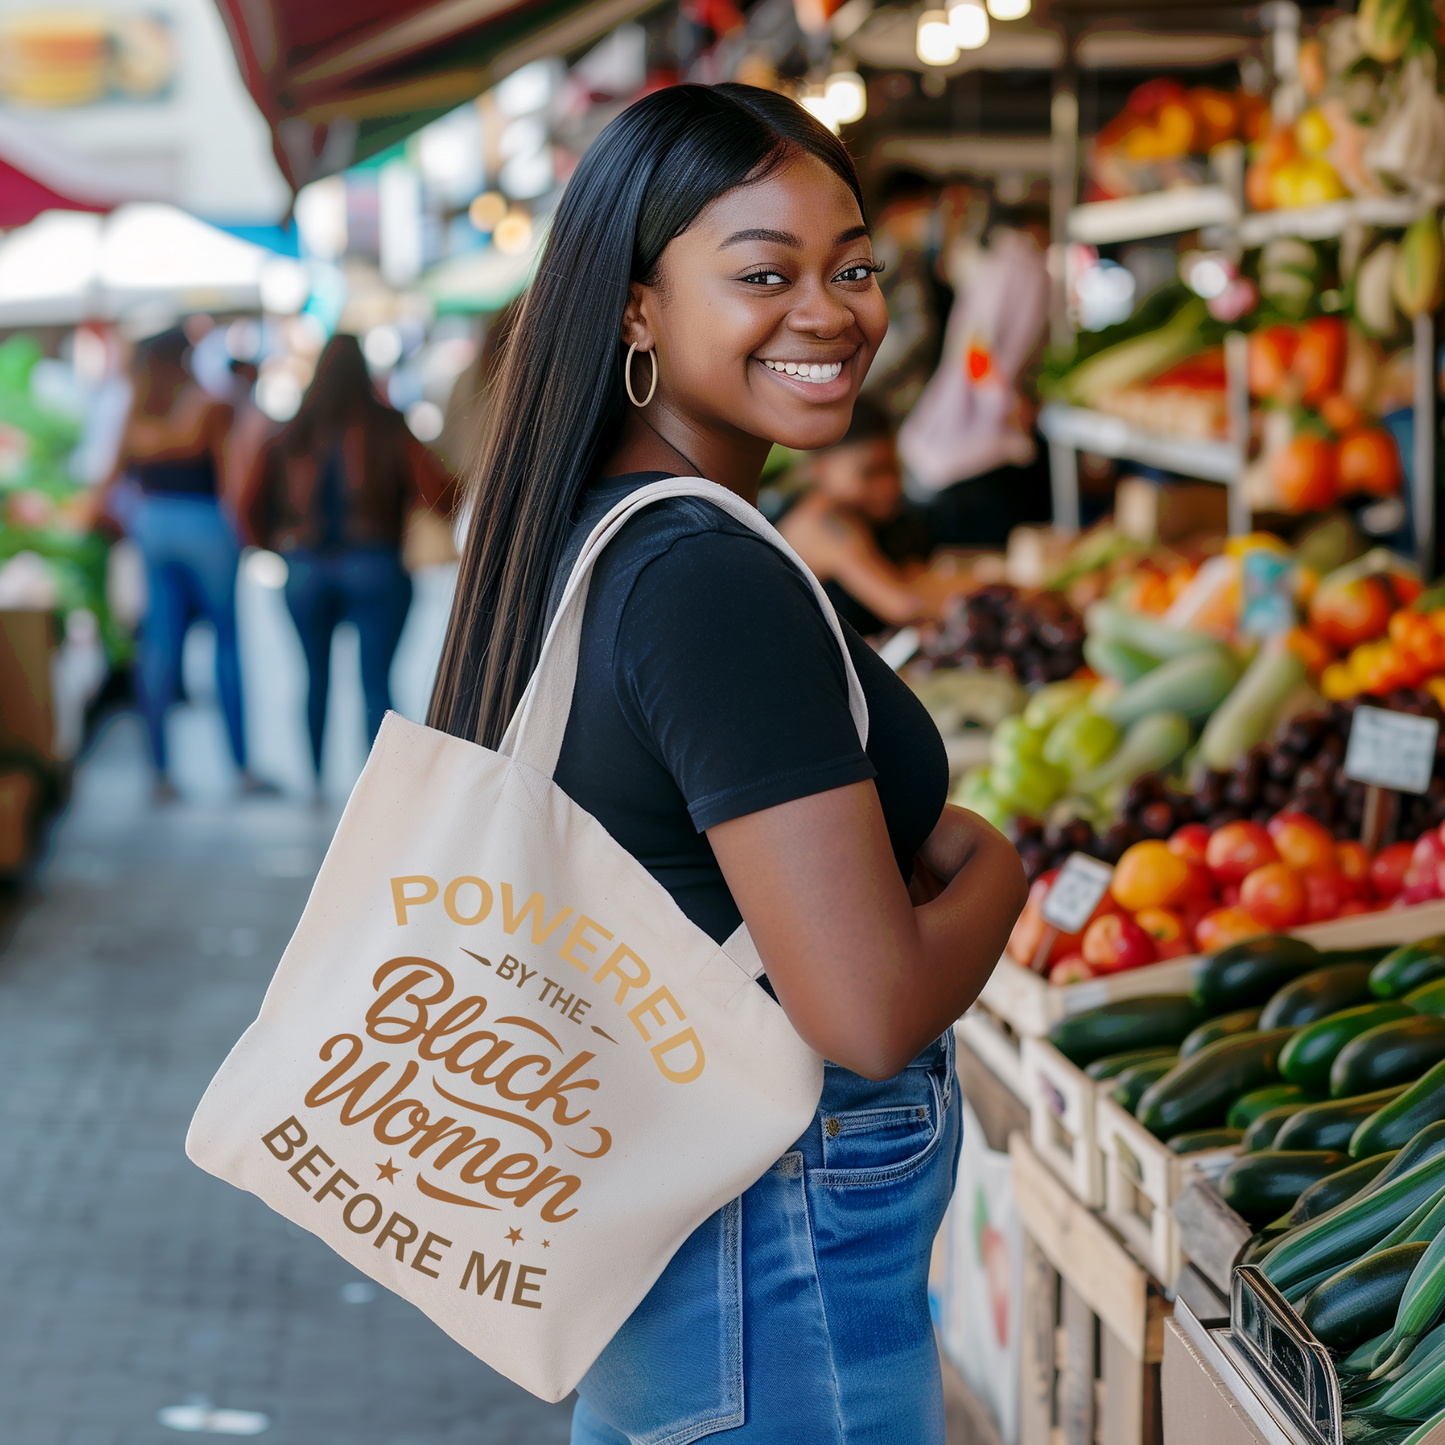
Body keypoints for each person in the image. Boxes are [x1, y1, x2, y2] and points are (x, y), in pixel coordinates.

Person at [427, 84, 1026, 1444]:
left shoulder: (594, 532)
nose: (831, 313)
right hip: (774, 1274)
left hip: (707, 1268)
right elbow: (866, 1013)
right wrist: (996, 864)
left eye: (853, 266)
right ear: (638, 309)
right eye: (764, 273)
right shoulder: (703, 577)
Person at [242, 334, 457, 783]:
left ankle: (316, 780)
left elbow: (247, 503)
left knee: (313, 678)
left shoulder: (291, 433)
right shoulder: (389, 427)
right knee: (376, 683)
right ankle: (375, 788)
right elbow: (442, 495)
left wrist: (277, 547)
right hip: (375, 565)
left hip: (305, 567)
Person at [114, 327, 255, 799]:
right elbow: (231, 473)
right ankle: (240, 768)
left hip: (151, 524)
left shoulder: (134, 413)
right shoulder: (210, 404)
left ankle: (159, 774)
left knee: (159, 647)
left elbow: (111, 481)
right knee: (227, 643)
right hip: (204, 522)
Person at [776, 396, 968, 635]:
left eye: (893, 469)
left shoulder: (871, 519)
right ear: (821, 469)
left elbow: (915, 577)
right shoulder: (821, 522)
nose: (889, 486)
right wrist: (994, 589)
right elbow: (903, 605)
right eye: (871, 472)